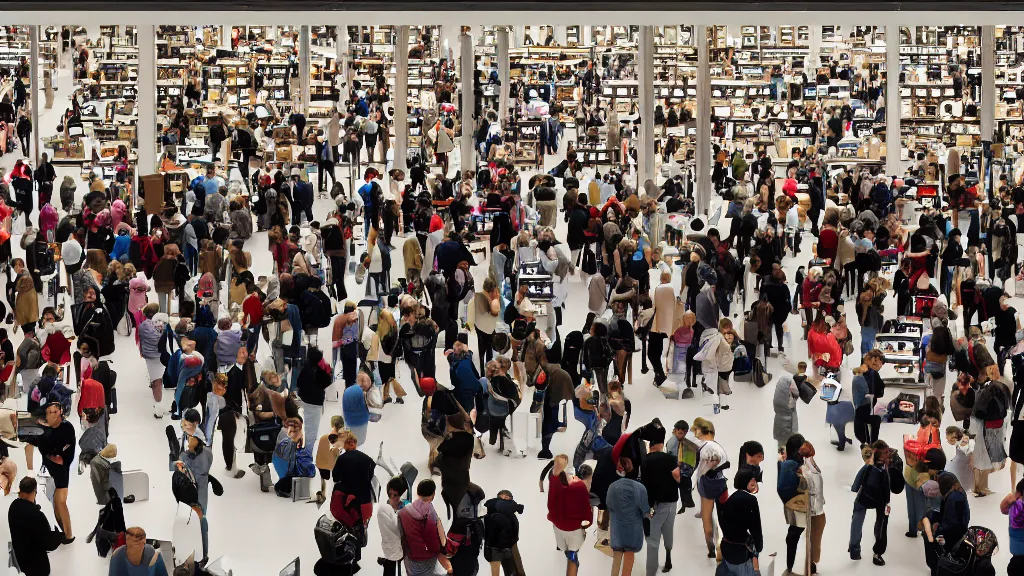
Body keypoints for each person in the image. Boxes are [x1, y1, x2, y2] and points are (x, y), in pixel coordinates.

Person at [849, 440, 905, 565]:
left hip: (874, 496)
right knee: (869, 521)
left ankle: (874, 551)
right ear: (879, 454)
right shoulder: (878, 467)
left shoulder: (873, 463)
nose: (888, 454)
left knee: (877, 523)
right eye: (886, 452)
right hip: (871, 495)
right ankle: (856, 549)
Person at [541, 454, 593, 576]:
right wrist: (588, 522)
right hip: (573, 528)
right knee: (573, 555)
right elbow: (585, 509)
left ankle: (569, 554)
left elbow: (550, 505)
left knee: (566, 549)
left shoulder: (554, 483)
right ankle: (572, 558)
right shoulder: (579, 486)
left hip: (558, 526)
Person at [640, 426, 679, 575]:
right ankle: (668, 557)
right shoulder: (670, 459)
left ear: (650, 445)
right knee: (668, 531)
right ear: (661, 444)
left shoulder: (644, 462)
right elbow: (679, 478)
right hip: (670, 503)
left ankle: (651, 573)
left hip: (651, 506)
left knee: (652, 541)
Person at [8, 477, 64, 576]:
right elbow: (48, 544)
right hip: (37, 565)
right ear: (34, 491)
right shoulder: (36, 515)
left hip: (21, 559)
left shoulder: (13, 507)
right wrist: (59, 536)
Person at [397, 479, 453, 576]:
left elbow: (400, 533)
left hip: (409, 557)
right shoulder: (431, 514)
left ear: (418, 493)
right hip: (427, 559)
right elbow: (440, 542)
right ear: (433, 494)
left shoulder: (404, 511)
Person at [38, 402, 75, 543]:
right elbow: (44, 449)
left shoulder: (66, 428)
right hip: (49, 470)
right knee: (55, 501)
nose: (51, 415)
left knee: (60, 501)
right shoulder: (45, 431)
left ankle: (68, 534)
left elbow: (64, 453)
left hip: (61, 471)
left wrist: (57, 457)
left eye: (54, 412)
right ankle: (62, 532)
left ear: (59, 413)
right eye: (49, 412)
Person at [607, 455, 649, 576]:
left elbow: (610, 506)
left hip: (617, 526)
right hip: (633, 528)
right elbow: (645, 509)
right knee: (629, 556)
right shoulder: (640, 488)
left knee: (616, 558)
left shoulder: (612, 486)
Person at [715, 468, 762, 576]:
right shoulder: (750, 500)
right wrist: (758, 547)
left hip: (727, 545)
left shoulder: (728, 498)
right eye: (753, 484)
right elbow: (756, 528)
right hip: (741, 550)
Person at [484, 489, 524, 576]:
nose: (509, 499)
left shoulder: (496, 507)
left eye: (510, 498)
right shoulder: (498, 505)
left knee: (507, 569)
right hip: (505, 544)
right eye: (506, 497)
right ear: (500, 496)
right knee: (514, 568)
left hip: (499, 543)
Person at [377, 476, 407, 576]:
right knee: (391, 567)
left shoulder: (403, 507)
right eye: (391, 494)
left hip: (398, 547)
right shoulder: (385, 508)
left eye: (396, 495)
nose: (393, 497)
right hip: (392, 547)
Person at [1000, 479, 1024, 575]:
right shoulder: (1019, 506)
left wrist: (1013, 496)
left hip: (1017, 555)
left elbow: (1003, 509)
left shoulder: (1015, 506)